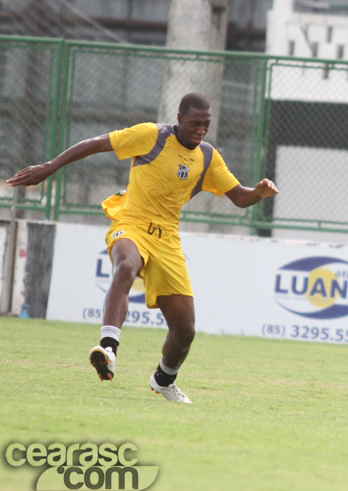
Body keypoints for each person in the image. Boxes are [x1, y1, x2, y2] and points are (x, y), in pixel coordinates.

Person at [7, 92, 279, 403]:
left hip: (167, 239)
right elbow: (96, 143)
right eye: (194, 123)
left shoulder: (207, 157)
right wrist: (49, 166)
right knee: (125, 265)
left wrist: (258, 192)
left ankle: (163, 380)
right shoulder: (152, 136)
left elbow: (240, 197)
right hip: (132, 222)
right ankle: (108, 348)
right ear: (179, 119)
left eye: (206, 124)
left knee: (185, 331)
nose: (201, 129)